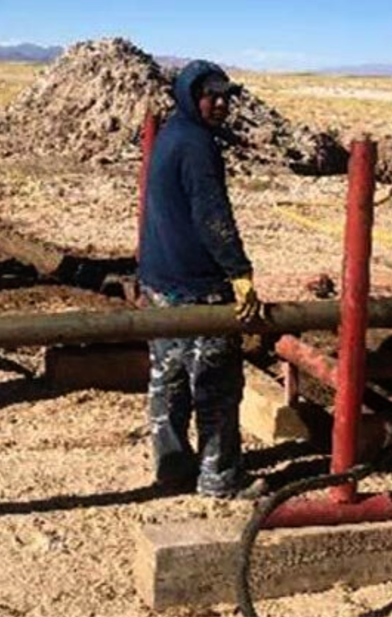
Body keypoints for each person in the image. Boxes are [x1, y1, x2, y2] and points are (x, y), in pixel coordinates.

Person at [137, 60, 267, 499]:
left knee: (168, 378)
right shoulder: (196, 145)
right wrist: (239, 272)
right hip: (198, 286)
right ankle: (219, 478)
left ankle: (172, 466)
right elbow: (213, 217)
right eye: (211, 96)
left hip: (160, 280)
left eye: (226, 96)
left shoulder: (172, 133)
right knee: (216, 384)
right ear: (192, 98)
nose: (221, 104)